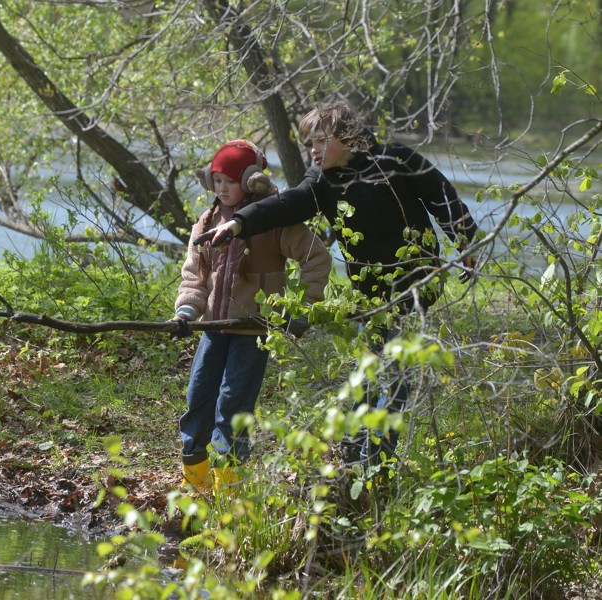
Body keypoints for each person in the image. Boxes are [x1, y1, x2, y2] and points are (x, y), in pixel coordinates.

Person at [199, 103, 479, 467]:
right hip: (369, 292)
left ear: (347, 138)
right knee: (368, 371)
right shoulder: (322, 181)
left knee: (394, 374)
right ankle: (353, 452)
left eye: (319, 141)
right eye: (308, 144)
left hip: (415, 281)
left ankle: (373, 461)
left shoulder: (395, 159)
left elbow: (441, 194)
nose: (312, 151)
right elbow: (286, 205)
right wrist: (239, 224)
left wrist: (466, 239)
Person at [173, 139, 333, 491]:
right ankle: (195, 489)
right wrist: (187, 310)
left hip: (253, 332)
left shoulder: (275, 219)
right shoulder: (208, 220)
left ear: (250, 180)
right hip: (213, 329)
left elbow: (317, 258)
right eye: (216, 181)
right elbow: (194, 277)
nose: (222, 188)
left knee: (232, 408)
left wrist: (303, 307)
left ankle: (229, 492)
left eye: (230, 181)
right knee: (197, 401)